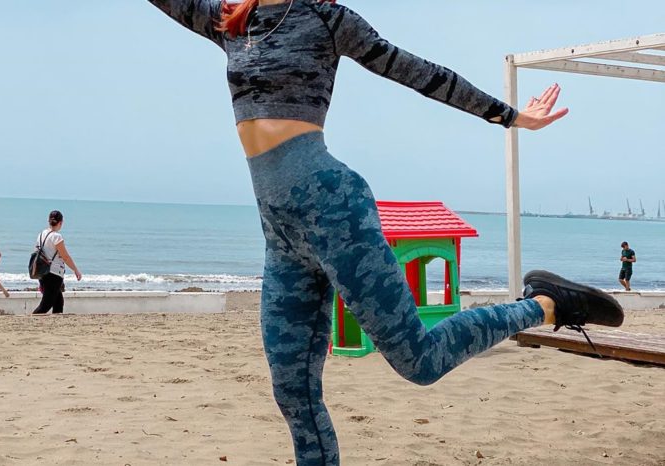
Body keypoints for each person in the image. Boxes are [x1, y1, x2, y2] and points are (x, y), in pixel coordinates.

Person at [146, 1, 625, 464]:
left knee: (421, 361)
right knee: (292, 389)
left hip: (335, 209)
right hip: (280, 233)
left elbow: (419, 72)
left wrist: (511, 116)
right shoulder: (230, 20)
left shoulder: (327, 19)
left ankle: (545, 304)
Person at [31, 210, 82, 315]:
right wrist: (76, 270)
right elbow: (65, 257)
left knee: (58, 302)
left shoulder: (41, 234)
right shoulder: (56, 236)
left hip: (42, 272)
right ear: (61, 222)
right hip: (54, 274)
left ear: (49, 221)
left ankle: (56, 323)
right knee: (46, 305)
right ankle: (30, 320)